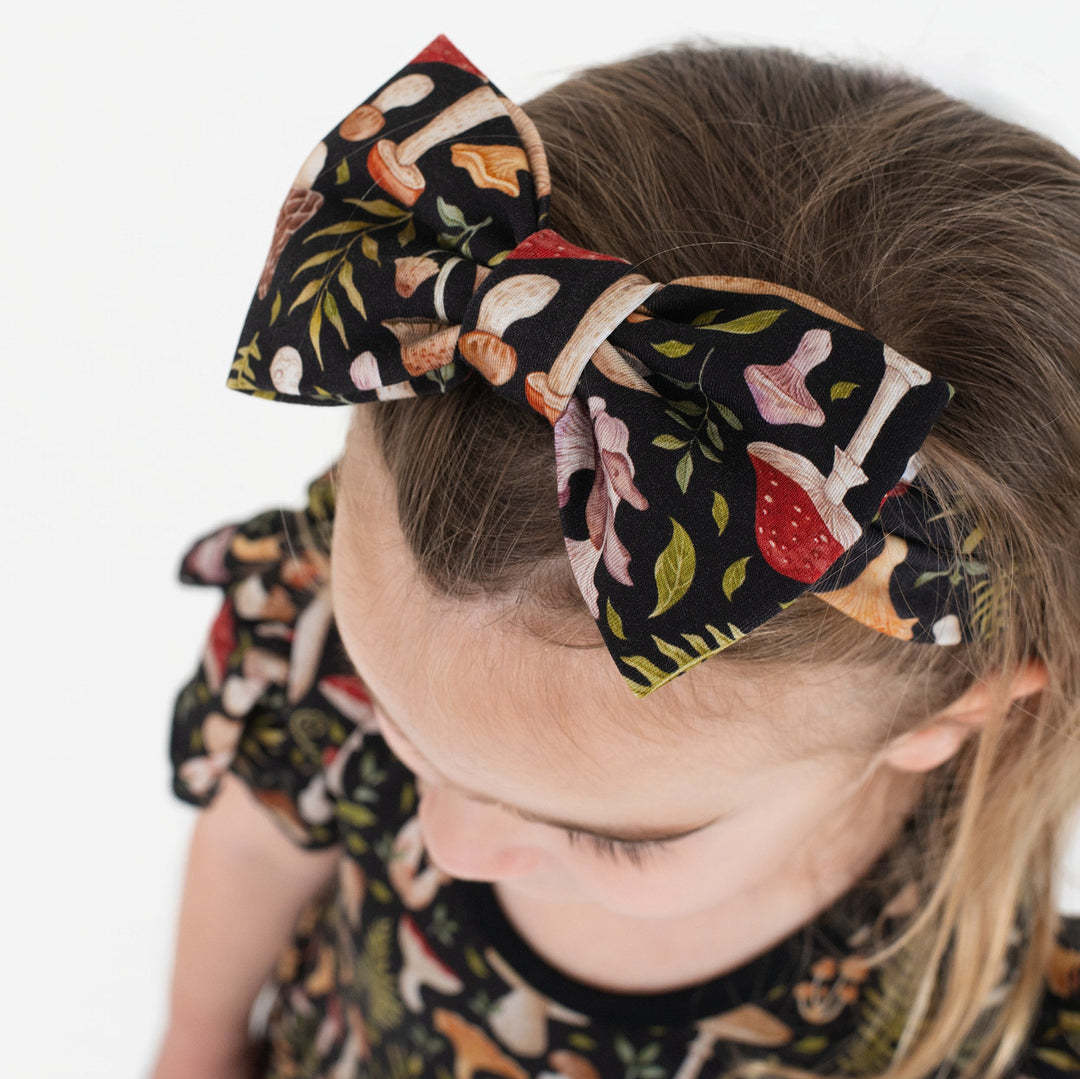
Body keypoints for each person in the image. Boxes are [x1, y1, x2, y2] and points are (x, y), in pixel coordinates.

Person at [151, 35, 1080, 1079]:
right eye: (390, 721)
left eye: (610, 838)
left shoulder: (986, 1029)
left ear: (950, 714)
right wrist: (196, 1040)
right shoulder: (328, 634)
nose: (446, 842)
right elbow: (252, 841)